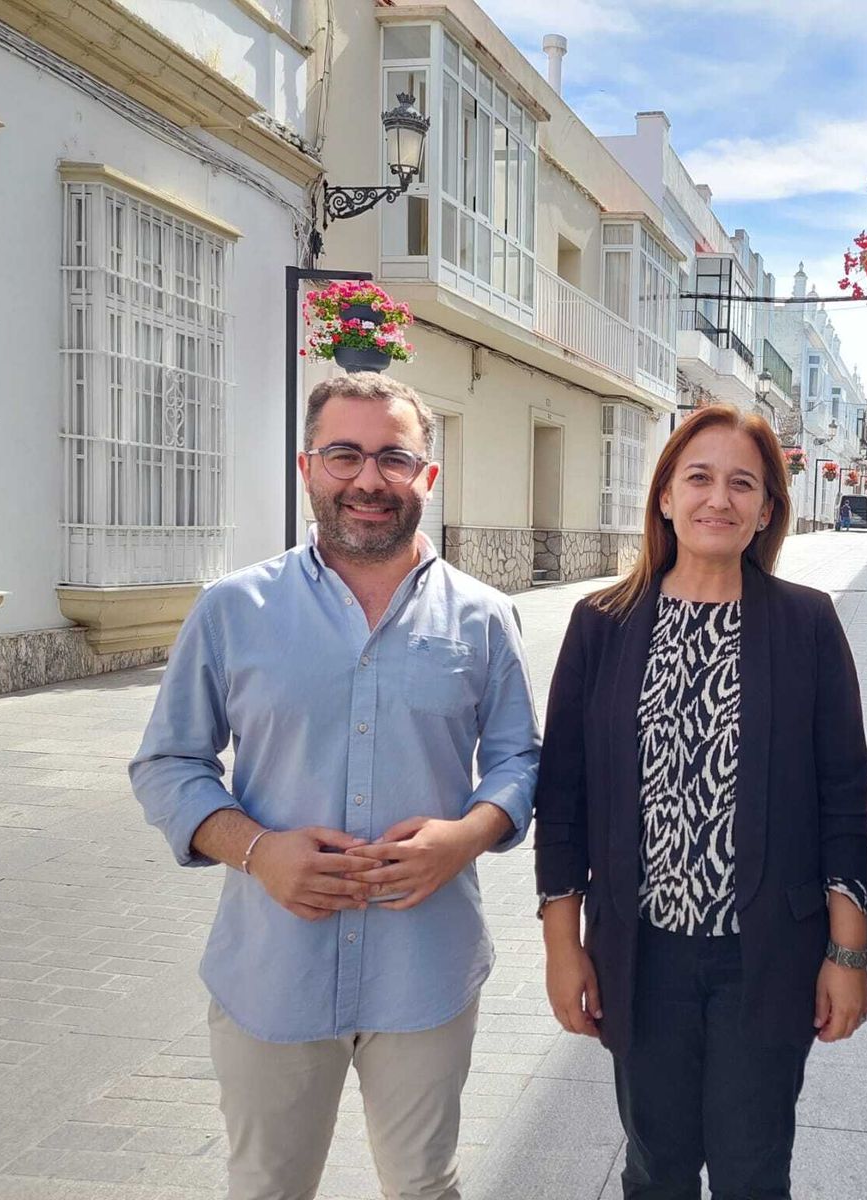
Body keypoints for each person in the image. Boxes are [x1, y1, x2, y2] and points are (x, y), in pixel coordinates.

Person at [130, 373, 541, 1200]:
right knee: (269, 1187)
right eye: (344, 454)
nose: (367, 480)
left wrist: (463, 837)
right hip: (272, 971)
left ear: (426, 477)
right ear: (307, 467)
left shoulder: (484, 617)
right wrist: (254, 850)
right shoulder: (232, 608)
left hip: (426, 966)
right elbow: (168, 763)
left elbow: (518, 761)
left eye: (394, 458)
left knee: (425, 1184)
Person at [534, 403, 867, 1200]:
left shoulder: (807, 623)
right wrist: (562, 945)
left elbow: (843, 797)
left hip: (768, 955)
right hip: (641, 953)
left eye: (741, 484)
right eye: (699, 478)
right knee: (656, 1168)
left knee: (755, 1171)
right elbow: (565, 796)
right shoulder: (602, 624)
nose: (717, 498)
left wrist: (847, 952)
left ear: (765, 511)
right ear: (664, 497)